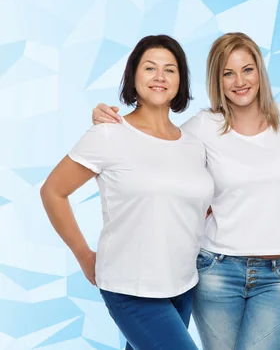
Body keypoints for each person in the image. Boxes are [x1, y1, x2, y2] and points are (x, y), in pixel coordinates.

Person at [92, 32, 280, 350]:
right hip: (218, 270)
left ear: (260, 71)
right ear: (216, 79)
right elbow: (153, 143)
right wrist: (110, 123)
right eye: (227, 73)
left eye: (247, 69)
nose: (239, 81)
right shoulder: (203, 127)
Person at [40, 35, 213, 349]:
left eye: (170, 69)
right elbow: (53, 191)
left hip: (183, 284)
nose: (159, 76)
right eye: (150, 68)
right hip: (131, 288)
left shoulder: (193, 142)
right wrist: (83, 254)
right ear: (134, 76)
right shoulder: (109, 133)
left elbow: (197, 204)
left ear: (181, 81)